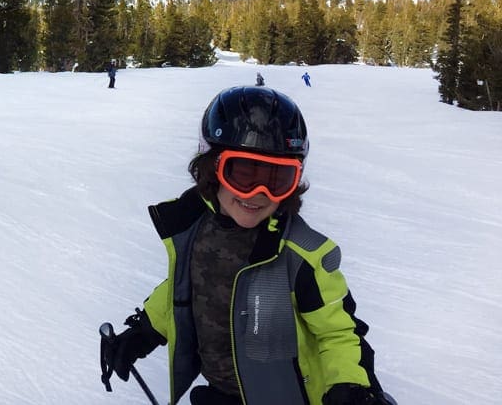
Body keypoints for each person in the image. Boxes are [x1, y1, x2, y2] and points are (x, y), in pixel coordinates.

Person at [100, 86, 394, 405]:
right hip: (221, 394)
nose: (258, 193)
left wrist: (349, 386)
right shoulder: (196, 229)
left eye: (277, 179)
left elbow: (338, 333)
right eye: (243, 174)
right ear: (212, 168)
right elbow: (187, 288)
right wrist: (143, 331)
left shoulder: (303, 256)